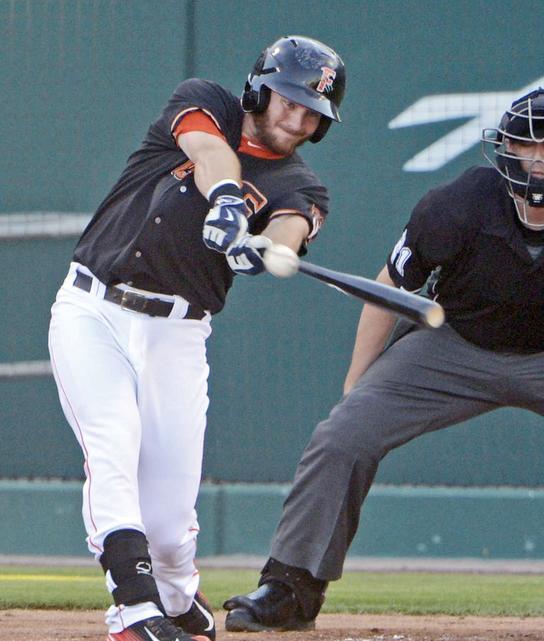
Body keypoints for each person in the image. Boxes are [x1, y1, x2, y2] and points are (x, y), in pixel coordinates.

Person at [222, 88, 544, 633]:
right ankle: (290, 588)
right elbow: (389, 287)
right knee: (342, 436)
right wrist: (357, 382)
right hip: (454, 346)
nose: (541, 161)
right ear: (504, 151)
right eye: (527, 146)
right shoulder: (454, 205)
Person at [46, 36, 346, 641]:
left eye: (312, 111)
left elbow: (291, 224)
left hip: (177, 336)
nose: (296, 117)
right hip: (92, 309)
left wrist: (269, 250)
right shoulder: (205, 101)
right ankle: (132, 611)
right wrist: (229, 200)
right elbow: (208, 151)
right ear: (262, 88)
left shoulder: (301, 184)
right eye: (287, 99)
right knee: (112, 443)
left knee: (168, 523)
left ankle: (179, 599)